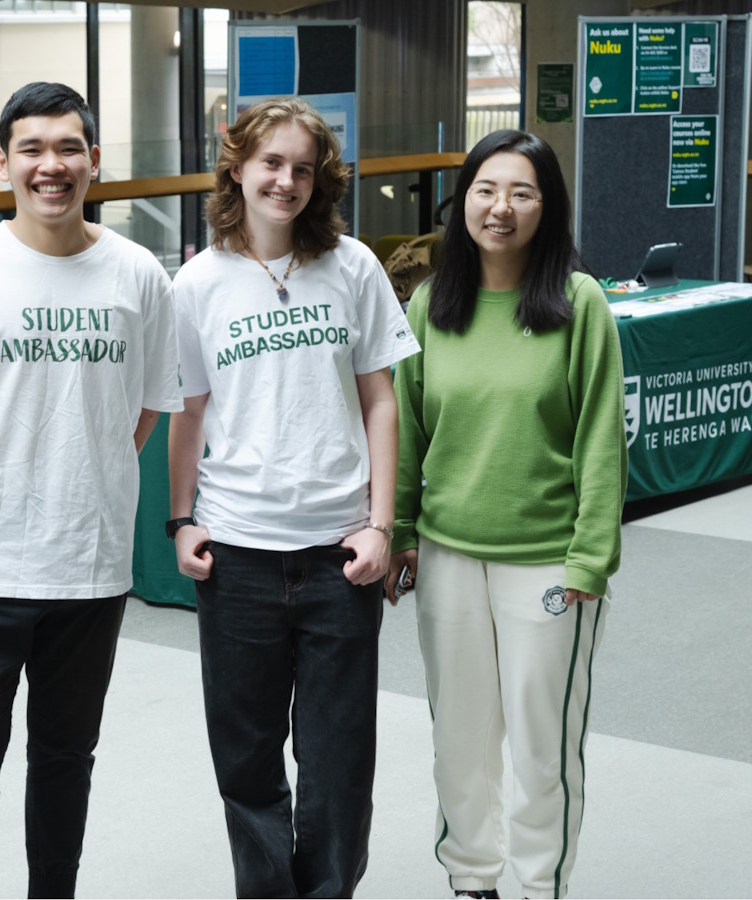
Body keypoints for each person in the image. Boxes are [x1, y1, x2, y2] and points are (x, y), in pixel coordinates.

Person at [0, 82, 182, 899]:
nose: (51, 166)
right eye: (31, 149)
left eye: (68, 148)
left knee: (65, 762)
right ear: (2, 163)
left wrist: (86, 467)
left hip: (90, 565)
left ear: (94, 160)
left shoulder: (138, 273)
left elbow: (144, 410)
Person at [165, 98, 418, 899]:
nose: (286, 181)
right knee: (245, 759)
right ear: (236, 166)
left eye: (302, 169)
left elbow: (381, 400)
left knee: (339, 760)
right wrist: (180, 520)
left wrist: (382, 524)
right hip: (237, 554)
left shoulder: (352, 268)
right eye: (271, 162)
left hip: (338, 555)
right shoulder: (198, 283)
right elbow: (190, 411)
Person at [387, 129, 624, 900]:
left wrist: (592, 555)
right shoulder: (430, 304)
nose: (501, 207)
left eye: (522, 192)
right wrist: (399, 533)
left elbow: (599, 439)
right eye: (487, 190)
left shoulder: (579, 304)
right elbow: (407, 429)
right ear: (463, 202)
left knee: (540, 746)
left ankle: (537, 885)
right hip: (449, 557)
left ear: (546, 207)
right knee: (458, 738)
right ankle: (472, 881)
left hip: (549, 563)